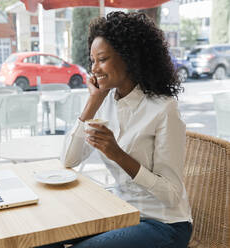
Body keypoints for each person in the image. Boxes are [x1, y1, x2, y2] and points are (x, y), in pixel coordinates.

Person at [56, 11, 192, 248]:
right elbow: (69, 159)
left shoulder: (162, 109)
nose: (94, 68)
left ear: (129, 58)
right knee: (47, 236)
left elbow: (171, 194)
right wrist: (93, 102)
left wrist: (117, 154)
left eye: (102, 59)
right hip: (121, 212)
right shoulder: (104, 101)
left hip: (163, 224)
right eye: (92, 61)